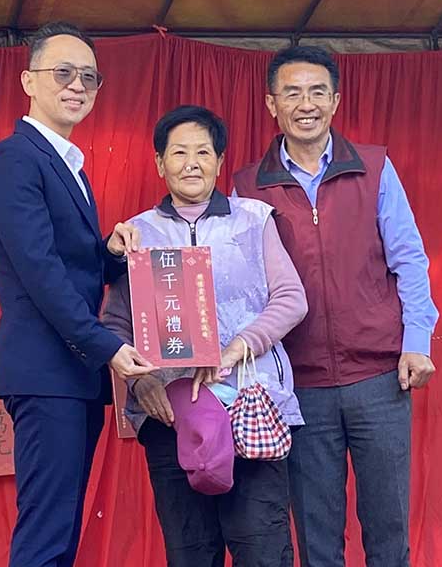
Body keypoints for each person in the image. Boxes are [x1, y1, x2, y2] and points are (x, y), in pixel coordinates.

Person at [232, 46, 439, 567]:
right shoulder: (246, 188)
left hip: (379, 378)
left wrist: (417, 342)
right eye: (292, 93)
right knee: (317, 538)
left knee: (388, 531)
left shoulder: (375, 168)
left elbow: (410, 259)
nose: (307, 104)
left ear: (336, 100)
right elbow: (233, 278)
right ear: (271, 104)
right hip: (298, 387)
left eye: (318, 92)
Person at [0, 22, 155, 567]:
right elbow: (39, 272)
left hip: (71, 375)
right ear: (28, 80)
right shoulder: (16, 159)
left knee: (61, 533)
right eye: (62, 72)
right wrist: (106, 346)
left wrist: (110, 253)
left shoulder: (66, 164)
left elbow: (69, 265)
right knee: (46, 535)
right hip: (46, 371)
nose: (77, 85)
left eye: (89, 77)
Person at [103, 105, 308, 567]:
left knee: (263, 550)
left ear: (219, 160)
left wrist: (238, 347)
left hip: (251, 406)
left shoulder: (254, 219)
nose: (191, 163)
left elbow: (292, 299)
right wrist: (140, 381)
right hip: (172, 418)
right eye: (179, 153)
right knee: (190, 552)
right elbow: (116, 325)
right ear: (160, 163)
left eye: (203, 152)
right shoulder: (137, 233)